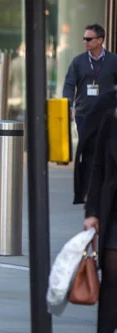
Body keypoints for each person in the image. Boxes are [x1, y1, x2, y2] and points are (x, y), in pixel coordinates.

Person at [84, 107, 117, 333]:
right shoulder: (111, 117)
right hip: (114, 210)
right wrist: (92, 211)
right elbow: (98, 167)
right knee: (111, 279)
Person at [63, 23, 117, 138]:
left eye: (88, 39)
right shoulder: (78, 61)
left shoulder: (113, 61)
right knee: (87, 150)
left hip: (107, 114)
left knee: (104, 150)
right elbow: (69, 85)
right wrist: (69, 106)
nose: (85, 42)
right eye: (84, 39)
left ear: (100, 40)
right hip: (84, 114)